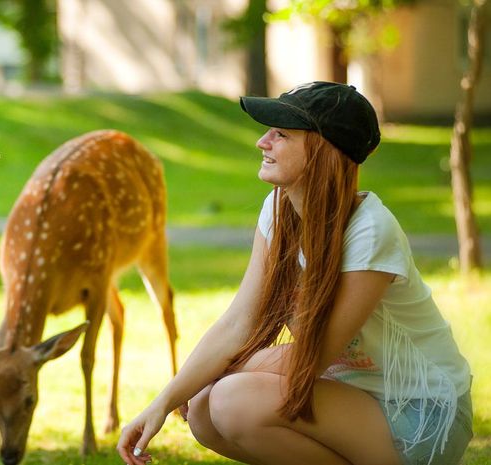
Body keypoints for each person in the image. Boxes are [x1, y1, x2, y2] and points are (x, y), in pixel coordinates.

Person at [116, 82, 473, 465]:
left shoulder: (370, 230)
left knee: (229, 398)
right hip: (349, 396)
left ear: (322, 151)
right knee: (203, 411)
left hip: (422, 412)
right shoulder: (278, 210)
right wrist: (163, 401)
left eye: (281, 134)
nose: (262, 142)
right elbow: (238, 323)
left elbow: (310, 357)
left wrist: (222, 370)